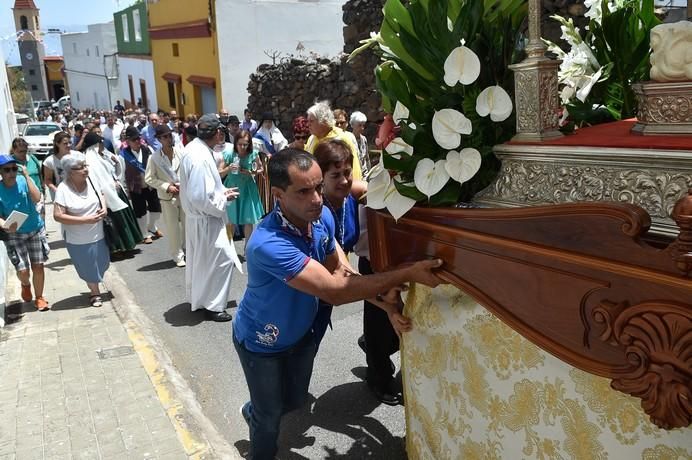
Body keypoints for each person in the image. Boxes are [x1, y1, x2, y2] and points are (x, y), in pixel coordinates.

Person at [233, 148, 444, 460]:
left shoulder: (320, 218)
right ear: (278, 194)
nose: (317, 198)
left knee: (293, 402)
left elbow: (343, 273)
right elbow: (334, 290)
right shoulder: (268, 244)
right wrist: (408, 273)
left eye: (318, 187)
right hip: (262, 342)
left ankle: (257, 407)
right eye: (303, 191)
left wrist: (386, 306)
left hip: (303, 335)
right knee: (269, 418)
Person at [179, 114, 242, 322]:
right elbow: (200, 197)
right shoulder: (199, 157)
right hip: (207, 219)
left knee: (202, 262)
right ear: (217, 133)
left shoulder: (195, 150)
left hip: (200, 219)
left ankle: (201, 299)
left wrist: (222, 192)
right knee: (221, 260)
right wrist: (224, 201)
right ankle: (214, 306)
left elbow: (203, 190)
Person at [53, 153, 110, 307]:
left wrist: (104, 209)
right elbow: (58, 216)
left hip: (99, 233)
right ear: (70, 171)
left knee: (103, 262)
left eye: (85, 166)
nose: (85, 170)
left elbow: (101, 194)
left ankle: (94, 284)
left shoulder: (91, 180)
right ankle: (95, 292)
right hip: (78, 238)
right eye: (81, 167)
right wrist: (85, 220)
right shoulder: (63, 189)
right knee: (88, 266)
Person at [0, 154, 50, 311]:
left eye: (14, 169)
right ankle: (25, 284)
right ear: (0, 172)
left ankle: (40, 297)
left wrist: (27, 176)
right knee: (23, 270)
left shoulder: (23, 181)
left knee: (38, 266)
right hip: (14, 234)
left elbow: (36, 198)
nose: (11, 173)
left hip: (34, 228)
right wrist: (5, 225)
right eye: (7, 170)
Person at [83, 131, 142, 257]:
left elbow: (114, 169)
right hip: (106, 196)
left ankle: (127, 246)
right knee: (113, 223)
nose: (102, 144)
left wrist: (115, 162)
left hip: (115, 190)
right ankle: (116, 249)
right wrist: (109, 188)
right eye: (100, 142)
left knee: (123, 219)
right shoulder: (90, 160)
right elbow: (98, 179)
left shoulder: (103, 156)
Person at [145, 125, 186, 267]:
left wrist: (183, 184)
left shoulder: (181, 153)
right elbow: (149, 178)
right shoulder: (154, 158)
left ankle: (188, 250)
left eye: (170, 135)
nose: (169, 139)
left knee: (188, 225)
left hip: (184, 194)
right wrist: (167, 186)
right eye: (165, 137)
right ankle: (178, 255)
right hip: (168, 198)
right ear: (159, 139)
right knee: (173, 228)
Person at [220, 130, 264, 250]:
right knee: (231, 221)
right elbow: (219, 173)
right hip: (232, 188)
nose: (243, 147)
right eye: (240, 144)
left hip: (248, 189)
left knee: (248, 220)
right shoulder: (229, 154)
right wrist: (229, 168)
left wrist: (251, 172)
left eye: (245, 144)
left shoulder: (253, 154)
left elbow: (260, 169)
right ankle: (228, 248)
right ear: (235, 143)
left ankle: (247, 247)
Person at [121, 126, 162, 244]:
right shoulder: (123, 155)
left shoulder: (148, 149)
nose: (137, 141)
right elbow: (121, 173)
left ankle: (152, 226)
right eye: (134, 140)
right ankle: (144, 233)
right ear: (127, 141)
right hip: (135, 187)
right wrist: (126, 189)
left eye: (138, 138)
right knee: (141, 212)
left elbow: (156, 164)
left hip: (150, 185)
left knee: (156, 210)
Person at [305, 101, 362, 180]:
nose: (308, 124)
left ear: (323, 121)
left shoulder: (341, 139)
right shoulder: (311, 139)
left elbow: (354, 168)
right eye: (307, 121)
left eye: (311, 121)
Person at [44, 132, 76, 201]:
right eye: (65, 143)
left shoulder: (77, 156)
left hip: (77, 191)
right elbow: (47, 180)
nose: (69, 145)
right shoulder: (50, 161)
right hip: (61, 195)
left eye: (70, 142)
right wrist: (57, 190)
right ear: (57, 144)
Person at [350, 111, 371, 176]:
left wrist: (369, 172)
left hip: (365, 173)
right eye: (359, 125)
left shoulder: (364, 139)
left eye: (363, 125)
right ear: (352, 125)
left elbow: (367, 158)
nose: (362, 128)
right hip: (355, 174)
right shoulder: (349, 139)